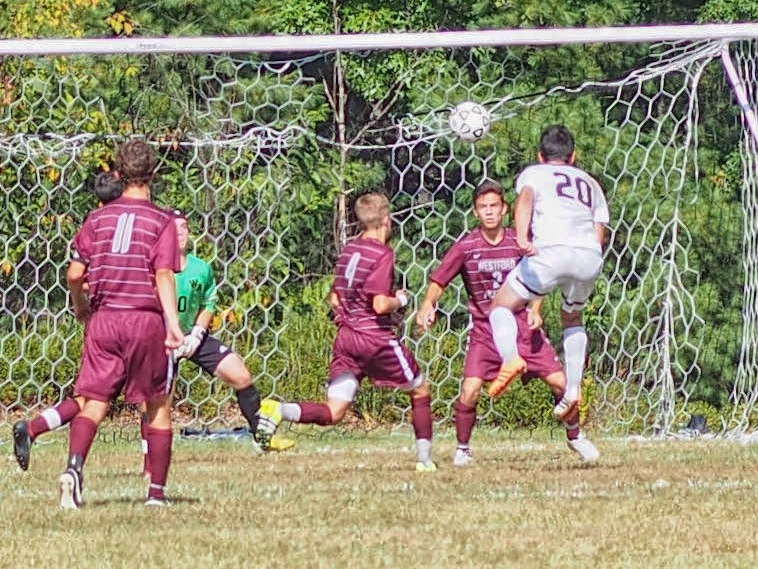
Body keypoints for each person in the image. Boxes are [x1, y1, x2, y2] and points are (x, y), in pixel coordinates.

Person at [416, 181, 599, 464]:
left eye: (494, 206)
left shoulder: (519, 242)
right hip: (485, 332)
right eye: (483, 207)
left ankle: (576, 436)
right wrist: (428, 303)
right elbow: (439, 280)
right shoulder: (466, 246)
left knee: (561, 384)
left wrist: (535, 309)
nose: (489, 212)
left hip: (523, 328)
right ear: (475, 212)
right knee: (469, 390)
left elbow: (542, 277)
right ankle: (462, 449)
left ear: (504, 209)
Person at [254, 192, 437, 472]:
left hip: (346, 338)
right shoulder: (383, 254)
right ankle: (424, 461)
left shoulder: (350, 250)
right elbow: (379, 304)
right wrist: (401, 300)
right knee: (420, 389)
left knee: (334, 411)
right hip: (374, 339)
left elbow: (334, 299)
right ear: (387, 220)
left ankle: (278, 410)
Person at [58, 140, 184, 508]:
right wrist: (173, 323)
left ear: (117, 174)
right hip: (144, 319)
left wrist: (81, 306)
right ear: (154, 174)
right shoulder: (161, 220)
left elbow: (74, 274)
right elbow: (163, 273)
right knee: (158, 403)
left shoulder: (97, 218)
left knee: (94, 400)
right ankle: (156, 494)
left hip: (105, 318)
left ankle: (74, 469)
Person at [487, 125, 609, 421]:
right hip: (589, 256)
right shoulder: (591, 184)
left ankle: (510, 358)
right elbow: (600, 230)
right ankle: (573, 389)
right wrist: (589, 259)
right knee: (572, 317)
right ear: (573, 156)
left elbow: (525, 200)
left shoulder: (534, 173)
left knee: (501, 305)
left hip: (551, 252)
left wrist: (521, 237)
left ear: (540, 155)